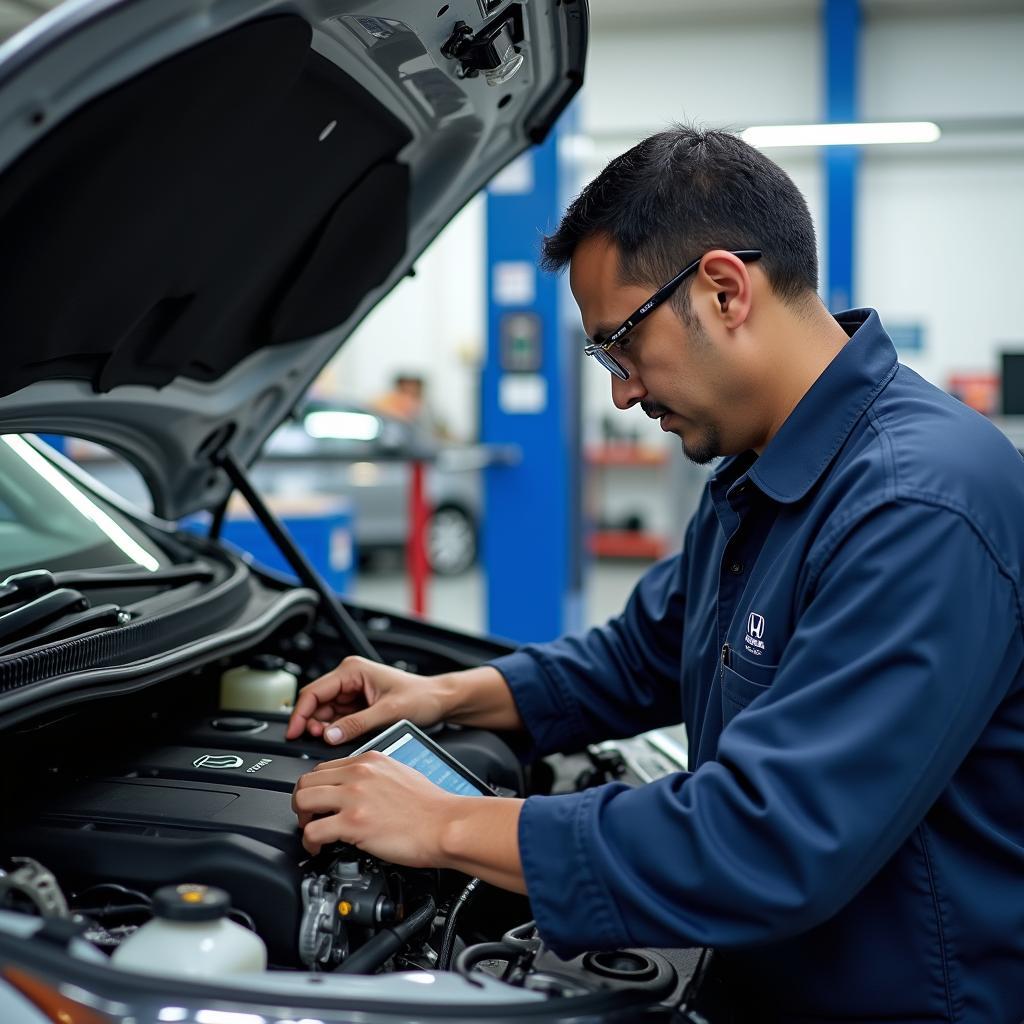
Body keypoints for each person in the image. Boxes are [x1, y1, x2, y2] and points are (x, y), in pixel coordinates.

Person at [286, 126, 1024, 1021]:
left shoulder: (915, 507)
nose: (622, 393)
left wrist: (442, 825)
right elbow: (639, 656)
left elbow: (768, 839)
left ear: (723, 289)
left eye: (620, 345)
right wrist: (441, 698)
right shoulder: (764, 471)